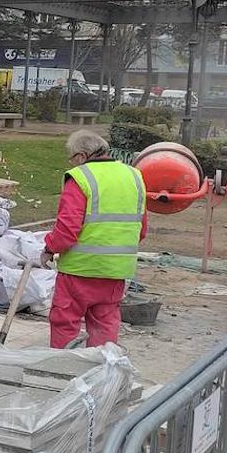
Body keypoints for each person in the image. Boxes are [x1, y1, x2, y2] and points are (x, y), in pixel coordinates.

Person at [39, 130, 148, 349]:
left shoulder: (80, 178)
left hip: (79, 270)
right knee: (105, 324)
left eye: (71, 158)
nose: (72, 164)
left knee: (65, 322)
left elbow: (67, 230)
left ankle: (64, 368)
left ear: (81, 156)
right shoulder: (134, 176)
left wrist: (49, 248)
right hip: (115, 271)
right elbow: (141, 229)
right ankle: (102, 372)